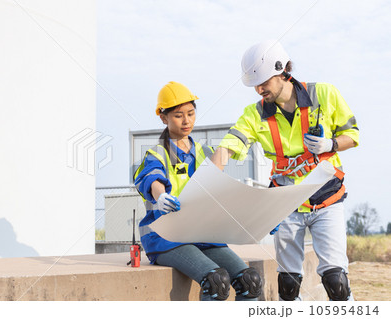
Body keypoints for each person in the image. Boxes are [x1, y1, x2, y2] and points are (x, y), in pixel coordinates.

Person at [211, 40, 359, 301]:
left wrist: (331, 144)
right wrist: (207, 183)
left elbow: (352, 135)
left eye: (263, 82)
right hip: (286, 204)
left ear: (281, 71)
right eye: (255, 85)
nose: (259, 89)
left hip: (328, 199)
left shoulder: (324, 94)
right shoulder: (255, 114)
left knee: (336, 281)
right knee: (288, 285)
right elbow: (228, 147)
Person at [134, 81, 263, 301]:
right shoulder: (157, 154)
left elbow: (222, 190)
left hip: (203, 235)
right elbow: (151, 178)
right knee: (216, 281)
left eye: (191, 113)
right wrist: (160, 195)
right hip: (168, 238)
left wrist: (262, 216)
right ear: (163, 118)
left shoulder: (206, 152)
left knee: (250, 280)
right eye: (178, 115)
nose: (186, 121)